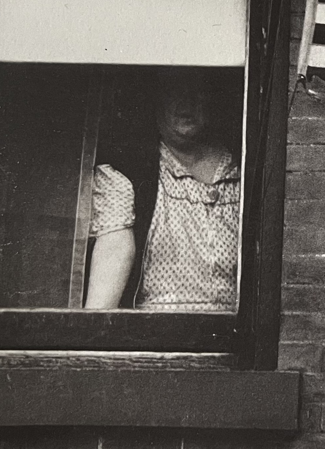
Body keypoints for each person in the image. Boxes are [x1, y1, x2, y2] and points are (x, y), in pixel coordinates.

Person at [84, 73, 241, 311]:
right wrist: (89, 338)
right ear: (158, 99)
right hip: (157, 336)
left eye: (196, 91)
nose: (186, 102)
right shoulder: (129, 172)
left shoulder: (243, 172)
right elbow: (114, 250)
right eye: (175, 91)